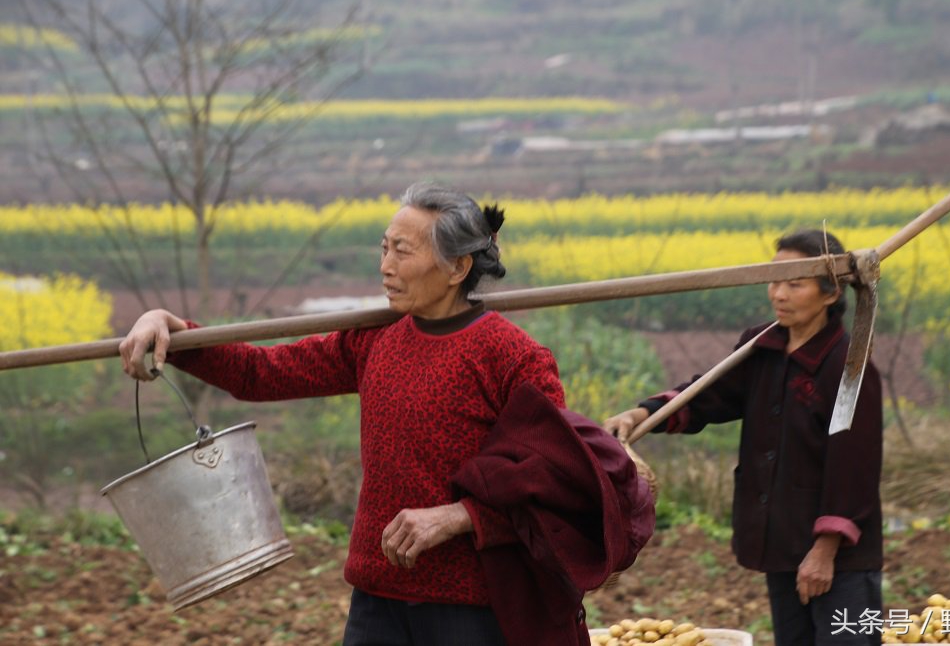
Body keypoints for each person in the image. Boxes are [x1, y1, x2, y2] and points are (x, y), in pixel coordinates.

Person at [119, 182, 653, 646]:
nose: (386, 268)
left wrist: (458, 516)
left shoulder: (512, 358)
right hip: (377, 595)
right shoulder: (375, 340)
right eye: (384, 249)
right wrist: (173, 329)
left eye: (403, 252)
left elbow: (551, 479)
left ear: (457, 267)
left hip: (470, 605)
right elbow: (262, 374)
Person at [604, 229, 883, 646]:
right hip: (783, 541)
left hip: (838, 557)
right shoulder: (763, 348)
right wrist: (645, 412)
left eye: (795, 283)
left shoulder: (848, 366)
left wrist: (824, 550)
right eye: (774, 281)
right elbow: (709, 394)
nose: (779, 294)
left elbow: (853, 468)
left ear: (830, 293)